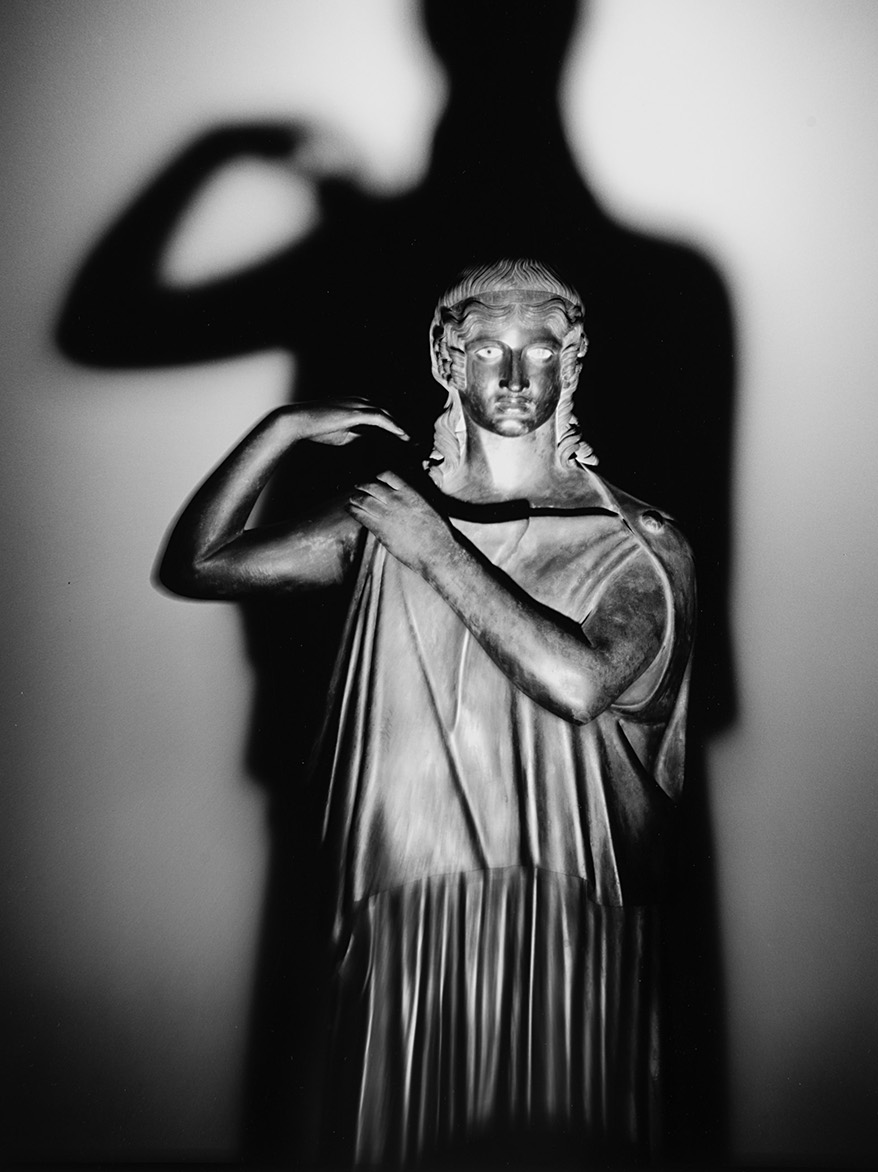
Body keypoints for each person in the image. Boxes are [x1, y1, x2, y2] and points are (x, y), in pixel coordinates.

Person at [158, 258, 696, 1167]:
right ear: (446, 361)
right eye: (487, 350)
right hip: (403, 897)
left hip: (559, 910)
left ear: (573, 363)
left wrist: (435, 549)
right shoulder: (388, 521)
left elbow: (580, 685)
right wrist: (281, 432)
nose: (515, 376)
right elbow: (202, 564)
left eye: (540, 351)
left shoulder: (636, 541)